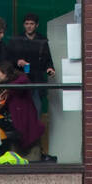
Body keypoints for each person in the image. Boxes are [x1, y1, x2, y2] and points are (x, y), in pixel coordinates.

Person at [11, 12, 57, 162]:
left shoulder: (42, 40)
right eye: (26, 24)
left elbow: (47, 59)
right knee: (21, 114)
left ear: (36, 25)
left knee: (36, 113)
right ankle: (23, 147)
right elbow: (9, 59)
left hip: (36, 81)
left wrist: (50, 69)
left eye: (31, 24)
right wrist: (18, 62)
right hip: (22, 84)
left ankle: (36, 149)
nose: (29, 26)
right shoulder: (17, 40)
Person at [0, 59, 44, 155]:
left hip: (23, 123)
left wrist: (8, 90)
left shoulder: (19, 81)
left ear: (5, 74)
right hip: (12, 121)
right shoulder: (3, 86)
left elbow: (24, 80)